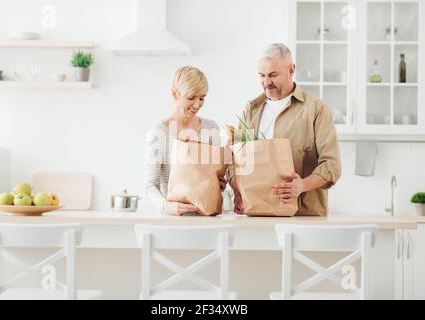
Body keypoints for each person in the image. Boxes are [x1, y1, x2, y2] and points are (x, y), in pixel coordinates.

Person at [228, 43, 341, 216]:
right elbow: (235, 159)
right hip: (258, 215)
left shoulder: (316, 109)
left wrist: (301, 185)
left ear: (291, 70)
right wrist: (238, 191)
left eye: (273, 75)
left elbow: (332, 166)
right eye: (261, 75)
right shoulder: (251, 110)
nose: (266, 82)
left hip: (304, 217)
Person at [144, 66, 226, 216]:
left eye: (202, 98)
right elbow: (150, 185)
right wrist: (166, 206)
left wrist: (219, 183)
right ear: (175, 94)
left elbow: (215, 177)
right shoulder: (159, 133)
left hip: (206, 216)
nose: (197, 104)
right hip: (172, 217)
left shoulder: (211, 128)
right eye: (191, 98)